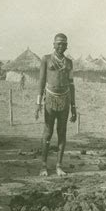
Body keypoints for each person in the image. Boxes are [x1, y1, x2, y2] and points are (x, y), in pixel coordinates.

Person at [34, 33, 77, 176]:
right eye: (58, 43)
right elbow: (41, 81)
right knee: (47, 132)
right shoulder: (46, 59)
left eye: (63, 44)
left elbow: (71, 85)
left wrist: (73, 106)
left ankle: (59, 165)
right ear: (53, 44)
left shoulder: (69, 63)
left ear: (67, 46)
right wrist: (38, 103)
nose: (61, 46)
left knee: (62, 133)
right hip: (50, 99)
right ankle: (43, 166)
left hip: (65, 100)